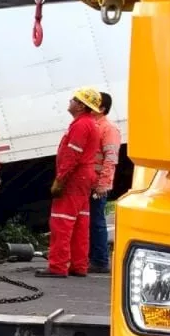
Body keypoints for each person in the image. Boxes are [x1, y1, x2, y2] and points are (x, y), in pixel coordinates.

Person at [37, 86, 102, 278]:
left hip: (74, 178)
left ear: (81, 105)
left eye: (74, 99)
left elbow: (72, 155)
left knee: (62, 222)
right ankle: (78, 265)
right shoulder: (90, 123)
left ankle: (58, 266)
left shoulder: (81, 125)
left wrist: (60, 179)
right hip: (84, 177)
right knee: (80, 222)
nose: (70, 101)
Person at [89, 91, 121, 274]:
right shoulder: (94, 126)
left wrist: (103, 183)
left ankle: (100, 260)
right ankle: (94, 258)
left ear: (102, 108)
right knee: (91, 221)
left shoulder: (108, 129)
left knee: (96, 221)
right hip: (90, 181)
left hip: (97, 182)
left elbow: (111, 158)